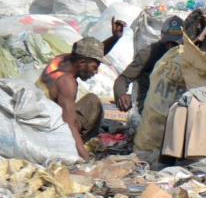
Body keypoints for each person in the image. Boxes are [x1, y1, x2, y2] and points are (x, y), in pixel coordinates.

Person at [37, 18, 127, 160]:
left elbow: (93, 54)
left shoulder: (62, 60)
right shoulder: (67, 82)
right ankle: (79, 146)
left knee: (89, 100)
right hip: (51, 130)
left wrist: (115, 38)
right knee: (93, 102)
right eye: (95, 67)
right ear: (82, 63)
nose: (96, 72)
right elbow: (69, 124)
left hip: (44, 118)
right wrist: (85, 158)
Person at [114, 16, 184, 115]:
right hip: (150, 104)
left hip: (176, 102)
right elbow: (123, 79)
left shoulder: (187, 55)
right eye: (168, 43)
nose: (170, 47)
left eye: (174, 44)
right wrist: (121, 95)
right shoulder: (149, 54)